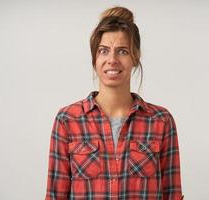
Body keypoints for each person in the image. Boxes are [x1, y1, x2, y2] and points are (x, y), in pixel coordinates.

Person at [45, 6, 184, 200]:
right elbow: (55, 196)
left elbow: (172, 195)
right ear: (95, 58)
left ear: (135, 58)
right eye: (103, 51)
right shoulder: (68, 120)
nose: (112, 59)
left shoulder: (161, 121)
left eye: (123, 51)